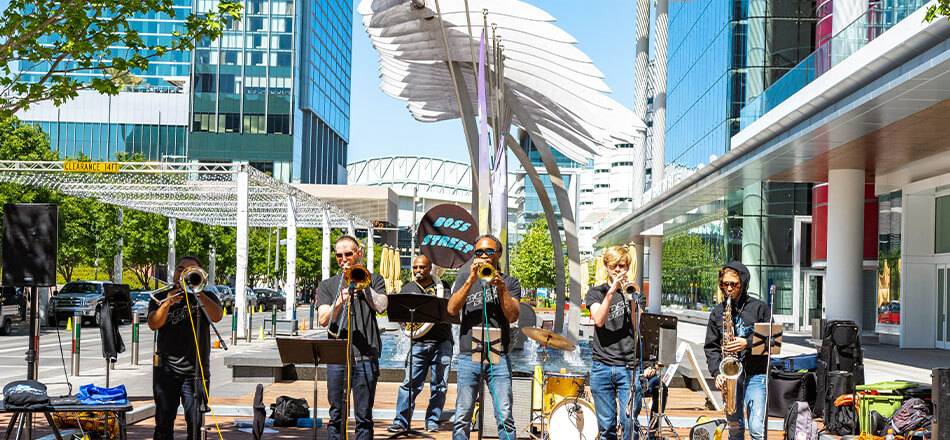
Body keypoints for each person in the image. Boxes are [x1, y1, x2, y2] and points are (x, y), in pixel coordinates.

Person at [586, 245, 664, 440]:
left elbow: (643, 328)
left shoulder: (635, 294)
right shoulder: (596, 293)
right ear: (607, 266)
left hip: (628, 368)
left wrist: (633, 300)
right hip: (602, 365)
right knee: (607, 426)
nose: (619, 270)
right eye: (615, 266)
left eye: (623, 266)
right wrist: (612, 291)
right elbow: (599, 320)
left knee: (629, 422)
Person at [447, 235, 521, 440]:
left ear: (498, 254)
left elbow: (513, 315)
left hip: (499, 355)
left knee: (504, 414)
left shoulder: (510, 282)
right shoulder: (464, 277)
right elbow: (452, 309)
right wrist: (471, 279)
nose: (483, 256)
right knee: (462, 414)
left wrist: (501, 287)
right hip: (468, 354)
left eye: (488, 251)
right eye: (478, 252)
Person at [317, 235, 388, 440]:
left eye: (348, 254)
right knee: (336, 414)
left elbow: (382, 306)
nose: (344, 259)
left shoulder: (374, 279)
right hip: (337, 357)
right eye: (339, 255)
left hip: (365, 356)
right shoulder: (327, 285)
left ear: (359, 253)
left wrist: (364, 285)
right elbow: (323, 320)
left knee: (364, 416)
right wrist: (338, 302)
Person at [149, 256, 224, 440]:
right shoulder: (162, 295)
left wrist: (199, 293)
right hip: (167, 370)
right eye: (181, 269)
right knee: (164, 423)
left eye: (191, 270)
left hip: (196, 371)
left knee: (196, 425)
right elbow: (153, 323)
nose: (184, 273)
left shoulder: (206, 295)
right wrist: (167, 303)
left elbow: (217, 316)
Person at [704, 261, 772, 440]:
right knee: (734, 428)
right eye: (724, 284)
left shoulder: (760, 308)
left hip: (756, 373)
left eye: (733, 284)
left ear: (743, 283)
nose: (728, 289)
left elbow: (772, 340)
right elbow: (711, 347)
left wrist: (747, 343)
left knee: (757, 427)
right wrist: (716, 372)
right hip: (730, 377)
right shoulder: (717, 313)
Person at [388, 254, 453, 434]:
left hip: (442, 341)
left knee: (440, 385)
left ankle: (432, 420)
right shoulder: (407, 288)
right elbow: (401, 316)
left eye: (422, 267)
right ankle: (401, 421)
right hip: (417, 342)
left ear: (429, 267)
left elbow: (449, 310)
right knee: (409, 383)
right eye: (415, 267)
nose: (418, 271)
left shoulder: (443, 286)